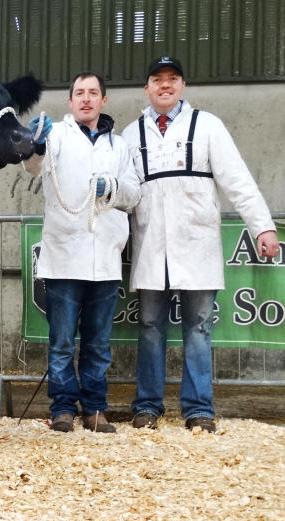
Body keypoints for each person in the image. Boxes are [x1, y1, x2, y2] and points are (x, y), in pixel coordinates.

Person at [121, 56, 280, 432]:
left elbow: (238, 180)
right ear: (147, 88)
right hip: (151, 247)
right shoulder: (131, 134)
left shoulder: (207, 126)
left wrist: (263, 228)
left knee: (198, 327)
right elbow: (124, 192)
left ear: (183, 86)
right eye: (157, 79)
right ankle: (147, 406)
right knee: (150, 326)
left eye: (172, 78)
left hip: (197, 244)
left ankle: (198, 410)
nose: (165, 85)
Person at [28, 72, 141, 433]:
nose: (86, 98)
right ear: (70, 101)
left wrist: (112, 187)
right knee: (62, 343)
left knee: (98, 344)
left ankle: (94, 409)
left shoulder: (119, 146)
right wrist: (37, 145)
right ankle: (63, 408)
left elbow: (134, 193)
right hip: (63, 256)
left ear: (103, 100)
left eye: (93, 92)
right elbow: (33, 167)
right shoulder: (56, 136)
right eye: (80, 93)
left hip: (105, 257)